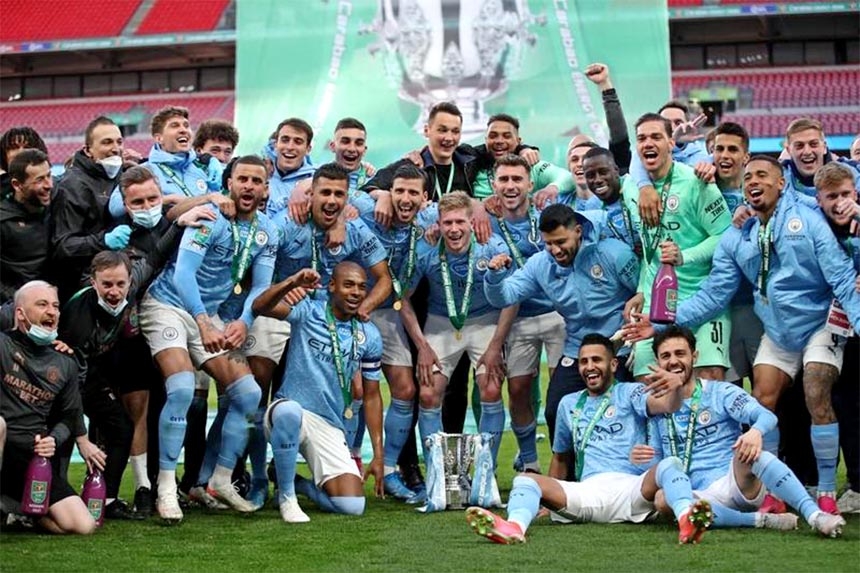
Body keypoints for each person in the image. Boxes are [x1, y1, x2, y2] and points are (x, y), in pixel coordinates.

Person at [623, 155, 860, 516]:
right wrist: (658, 324)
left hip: (819, 325)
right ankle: (773, 490)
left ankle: (826, 490)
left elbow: (842, 278)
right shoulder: (737, 235)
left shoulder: (809, 221)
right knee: (762, 399)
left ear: (782, 183)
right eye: (749, 176)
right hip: (778, 331)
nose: (753, 181)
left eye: (763, 175)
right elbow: (714, 295)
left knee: (815, 389)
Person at [465, 333, 713, 545]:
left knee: (669, 465)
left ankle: (687, 521)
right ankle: (514, 528)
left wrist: (677, 387)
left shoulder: (630, 392)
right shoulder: (568, 404)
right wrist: (544, 498)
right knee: (524, 481)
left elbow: (665, 405)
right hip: (587, 492)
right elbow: (561, 458)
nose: (589, 366)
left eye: (597, 360)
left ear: (614, 365)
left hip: (632, 489)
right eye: (583, 361)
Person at [138, 155, 278, 522]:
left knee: (248, 393)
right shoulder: (210, 218)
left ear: (266, 189)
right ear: (228, 182)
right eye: (242, 179)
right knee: (183, 387)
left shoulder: (267, 231)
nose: (249, 186)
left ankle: (220, 480)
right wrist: (203, 323)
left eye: (256, 181)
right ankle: (166, 488)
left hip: (210, 314)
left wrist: (245, 321)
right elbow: (184, 275)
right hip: (168, 305)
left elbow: (261, 286)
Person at [648, 326, 846, 537]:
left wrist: (755, 432)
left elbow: (767, 416)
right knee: (662, 499)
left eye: (680, 354)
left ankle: (816, 516)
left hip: (734, 482)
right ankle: (761, 520)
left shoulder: (720, 392)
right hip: (690, 493)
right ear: (658, 362)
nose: (673, 361)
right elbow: (658, 462)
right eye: (665, 356)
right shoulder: (656, 407)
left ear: (694, 356)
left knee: (750, 452)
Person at [484, 203, 639, 446]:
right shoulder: (541, 264)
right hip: (578, 349)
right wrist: (494, 277)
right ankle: (565, 478)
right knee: (555, 411)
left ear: (578, 231)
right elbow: (505, 296)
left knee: (621, 413)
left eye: (560, 242)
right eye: (548, 243)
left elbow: (645, 290)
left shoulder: (613, 253)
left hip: (620, 347)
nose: (555, 250)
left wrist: (637, 335)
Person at [253, 263, 384, 523]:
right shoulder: (309, 311)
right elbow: (260, 307)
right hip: (289, 411)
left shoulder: (369, 335)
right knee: (289, 412)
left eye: (361, 286)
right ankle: (287, 499)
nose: (356, 292)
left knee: (352, 505)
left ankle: (296, 484)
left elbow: (371, 396)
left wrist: (379, 456)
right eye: (348, 285)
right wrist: (291, 282)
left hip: (329, 424)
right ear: (332, 286)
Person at [400, 191, 515, 466]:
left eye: (459, 222)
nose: (453, 229)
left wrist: (496, 346)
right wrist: (422, 347)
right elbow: (401, 299)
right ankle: (437, 477)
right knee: (428, 393)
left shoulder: (492, 246)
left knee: (489, 387)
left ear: (471, 223)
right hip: (441, 323)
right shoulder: (426, 250)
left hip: (485, 320)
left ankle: (487, 473)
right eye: (447, 223)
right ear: (438, 225)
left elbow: (513, 298)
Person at [624, 112, 731, 382]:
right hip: (654, 305)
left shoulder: (696, 182)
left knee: (708, 382)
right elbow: (648, 246)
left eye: (656, 137)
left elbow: (725, 236)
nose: (648, 143)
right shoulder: (630, 187)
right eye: (642, 138)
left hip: (700, 300)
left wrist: (685, 256)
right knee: (648, 387)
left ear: (672, 143)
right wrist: (640, 289)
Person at [360, 164, 436, 501]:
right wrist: (374, 193)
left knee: (405, 390)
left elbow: (402, 296)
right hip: (350, 315)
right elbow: (325, 189)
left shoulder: (427, 227)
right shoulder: (367, 209)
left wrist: (421, 346)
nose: (404, 198)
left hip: (390, 315)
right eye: (398, 191)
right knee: (354, 392)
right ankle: (347, 466)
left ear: (425, 198)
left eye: (412, 192)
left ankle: (389, 470)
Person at [486, 155, 565, 473]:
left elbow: (569, 176)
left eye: (517, 179)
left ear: (530, 184)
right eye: (503, 179)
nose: (510, 186)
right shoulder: (486, 222)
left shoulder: (547, 216)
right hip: (516, 319)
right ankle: (530, 462)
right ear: (494, 185)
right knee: (517, 389)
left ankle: (566, 462)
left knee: (562, 390)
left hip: (558, 315)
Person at [0, 281, 95, 534]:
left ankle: (22, 511)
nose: (52, 312)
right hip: (2, 445)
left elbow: (70, 415)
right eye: (42, 305)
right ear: (20, 313)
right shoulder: (2, 345)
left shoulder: (65, 361)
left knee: (82, 526)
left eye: (55, 306)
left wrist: (54, 439)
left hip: (32, 458)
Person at [814, 161, 860, 513]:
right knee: (845, 401)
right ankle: (857, 483)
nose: (839, 202)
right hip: (833, 328)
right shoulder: (816, 228)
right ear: (819, 200)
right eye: (832, 196)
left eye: (845, 194)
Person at [50, 117, 128, 302]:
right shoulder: (72, 186)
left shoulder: (122, 175)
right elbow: (63, 246)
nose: (115, 148)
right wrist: (104, 240)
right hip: (83, 287)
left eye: (119, 142)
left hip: (119, 279)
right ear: (88, 150)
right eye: (107, 142)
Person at [711, 122, 763, 387]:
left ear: (746, 157)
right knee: (726, 391)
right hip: (719, 309)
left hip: (757, 308)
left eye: (733, 149)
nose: (725, 155)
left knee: (768, 390)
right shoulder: (702, 189)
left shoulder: (761, 193)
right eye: (719, 149)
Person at [108, 106, 224, 219]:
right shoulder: (145, 171)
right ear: (159, 138)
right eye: (174, 126)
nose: (183, 130)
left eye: (186, 125)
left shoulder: (206, 167)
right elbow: (115, 207)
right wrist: (167, 199)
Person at [469, 114, 573, 202]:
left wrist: (552, 188)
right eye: (493, 136)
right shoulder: (470, 167)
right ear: (486, 140)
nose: (499, 141)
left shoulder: (531, 165)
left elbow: (568, 177)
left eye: (506, 136)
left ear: (518, 141)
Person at [0, 149, 53, 304]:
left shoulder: (57, 206)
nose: (48, 185)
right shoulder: (4, 221)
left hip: (55, 302)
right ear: (17, 185)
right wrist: (19, 301)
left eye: (49, 176)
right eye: (39, 180)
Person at [580, 147, 641, 252]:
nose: (598, 180)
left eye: (603, 172)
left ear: (616, 171)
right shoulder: (591, 208)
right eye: (590, 175)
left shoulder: (636, 188)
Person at [264, 117, 316, 216]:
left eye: (298, 142)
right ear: (276, 144)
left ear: (308, 149)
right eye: (285, 140)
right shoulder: (258, 174)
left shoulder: (317, 180)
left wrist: (314, 181)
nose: (290, 147)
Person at [0, 126, 48, 201]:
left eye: (27, 147)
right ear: (4, 154)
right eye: (14, 147)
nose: (21, 152)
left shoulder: (55, 190)